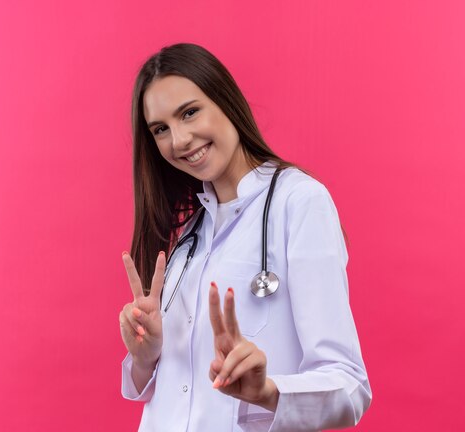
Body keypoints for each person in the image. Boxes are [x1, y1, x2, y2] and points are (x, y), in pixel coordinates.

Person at [119, 43, 371, 431]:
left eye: (190, 112)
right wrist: (145, 356)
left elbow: (348, 384)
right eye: (161, 129)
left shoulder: (299, 202)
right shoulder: (189, 235)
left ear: (225, 100)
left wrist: (267, 391)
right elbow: (178, 393)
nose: (180, 140)